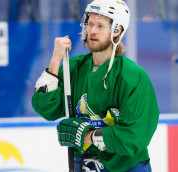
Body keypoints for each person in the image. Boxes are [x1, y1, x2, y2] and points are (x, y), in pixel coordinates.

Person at [31, 0, 159, 171]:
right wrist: (55, 60)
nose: (91, 30)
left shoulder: (133, 76)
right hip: (84, 165)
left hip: (125, 167)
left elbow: (135, 136)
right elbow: (45, 108)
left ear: (117, 30)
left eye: (100, 26)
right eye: (90, 24)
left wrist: (88, 136)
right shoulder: (74, 68)